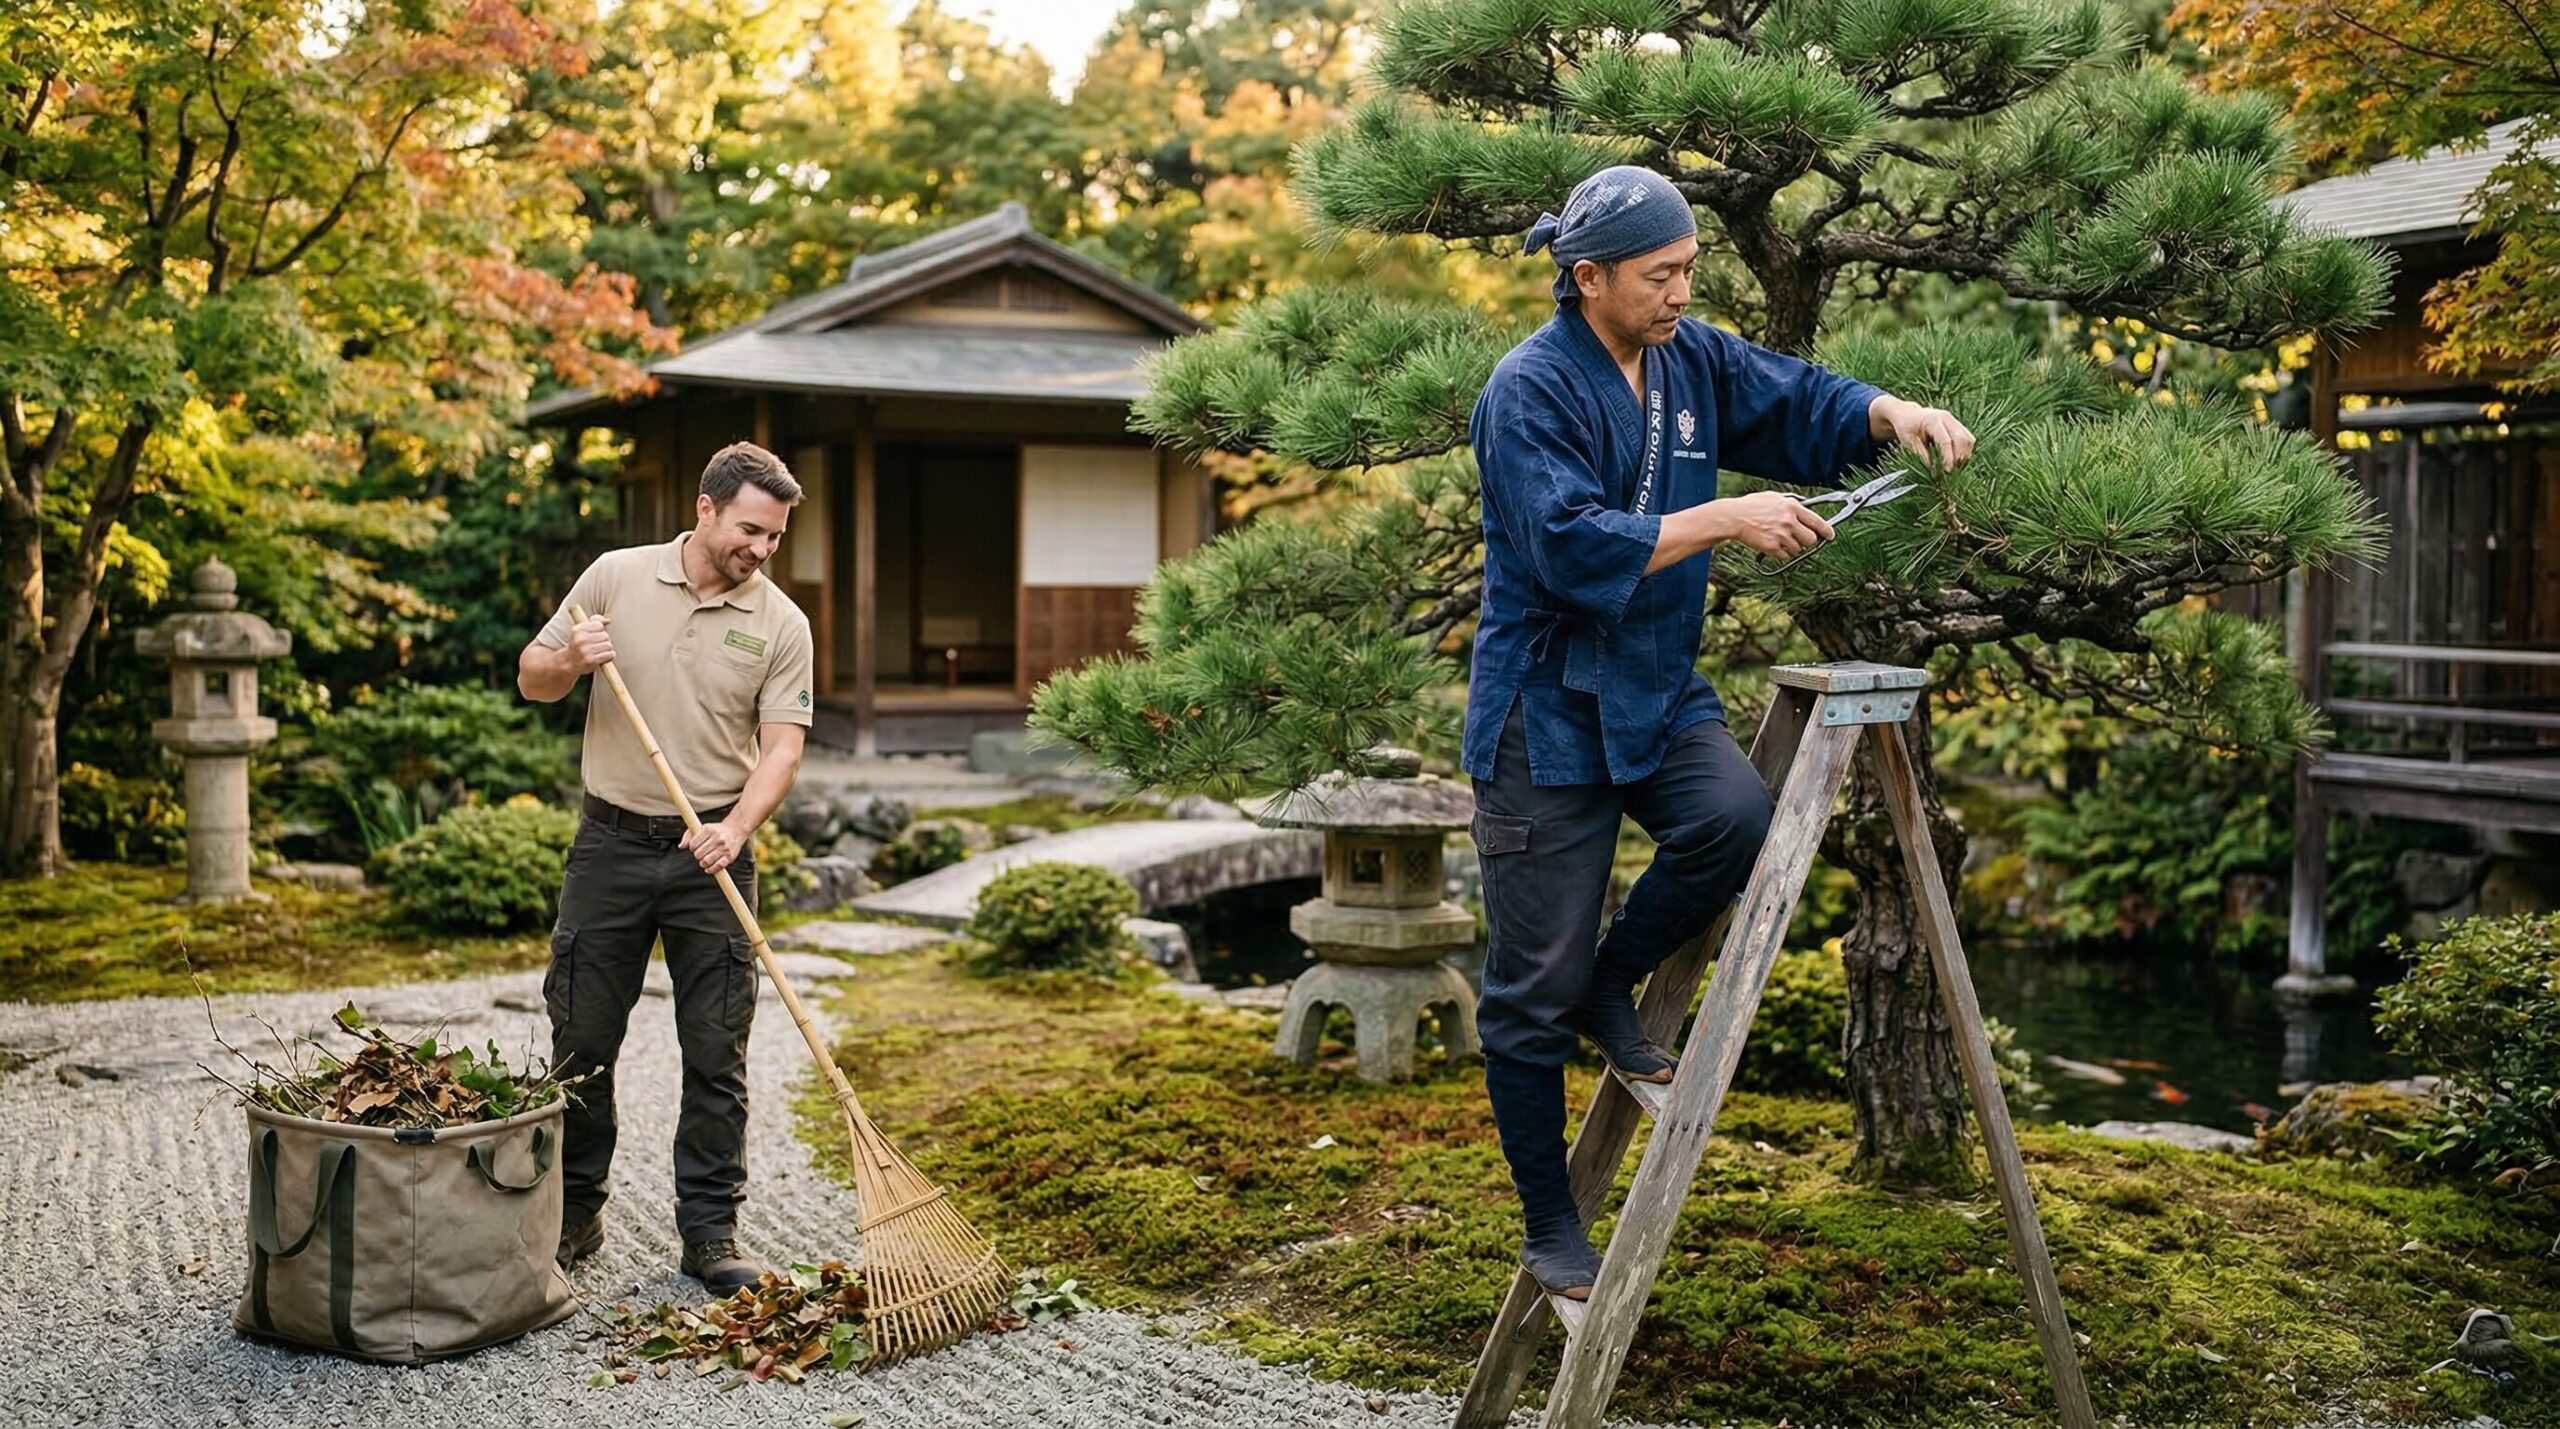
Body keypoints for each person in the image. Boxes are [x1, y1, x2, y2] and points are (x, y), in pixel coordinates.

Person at [1465, 166, 1976, 1299]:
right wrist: (1727, 516)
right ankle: (1548, 1223)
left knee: (1734, 823)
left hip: (1653, 683)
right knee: (1529, 990)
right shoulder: (1528, 389)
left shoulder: (1688, 359)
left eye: (1690, 269)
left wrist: (1891, 412)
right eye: (1661, 275)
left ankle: (1614, 977)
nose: (1682, 292)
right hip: (1543, 710)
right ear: (1586, 277)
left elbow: (1794, 398)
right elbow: (1567, 545)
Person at [518, 441, 816, 1293]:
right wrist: (572, 659)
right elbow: (533, 678)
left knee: (717, 1046)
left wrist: (736, 827)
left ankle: (711, 1231)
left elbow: (782, 749)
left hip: (712, 855)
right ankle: (576, 1213)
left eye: (774, 536)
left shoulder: (781, 623)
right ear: (705, 508)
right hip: (609, 844)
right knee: (581, 1037)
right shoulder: (615, 577)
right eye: (750, 530)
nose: (761, 549)